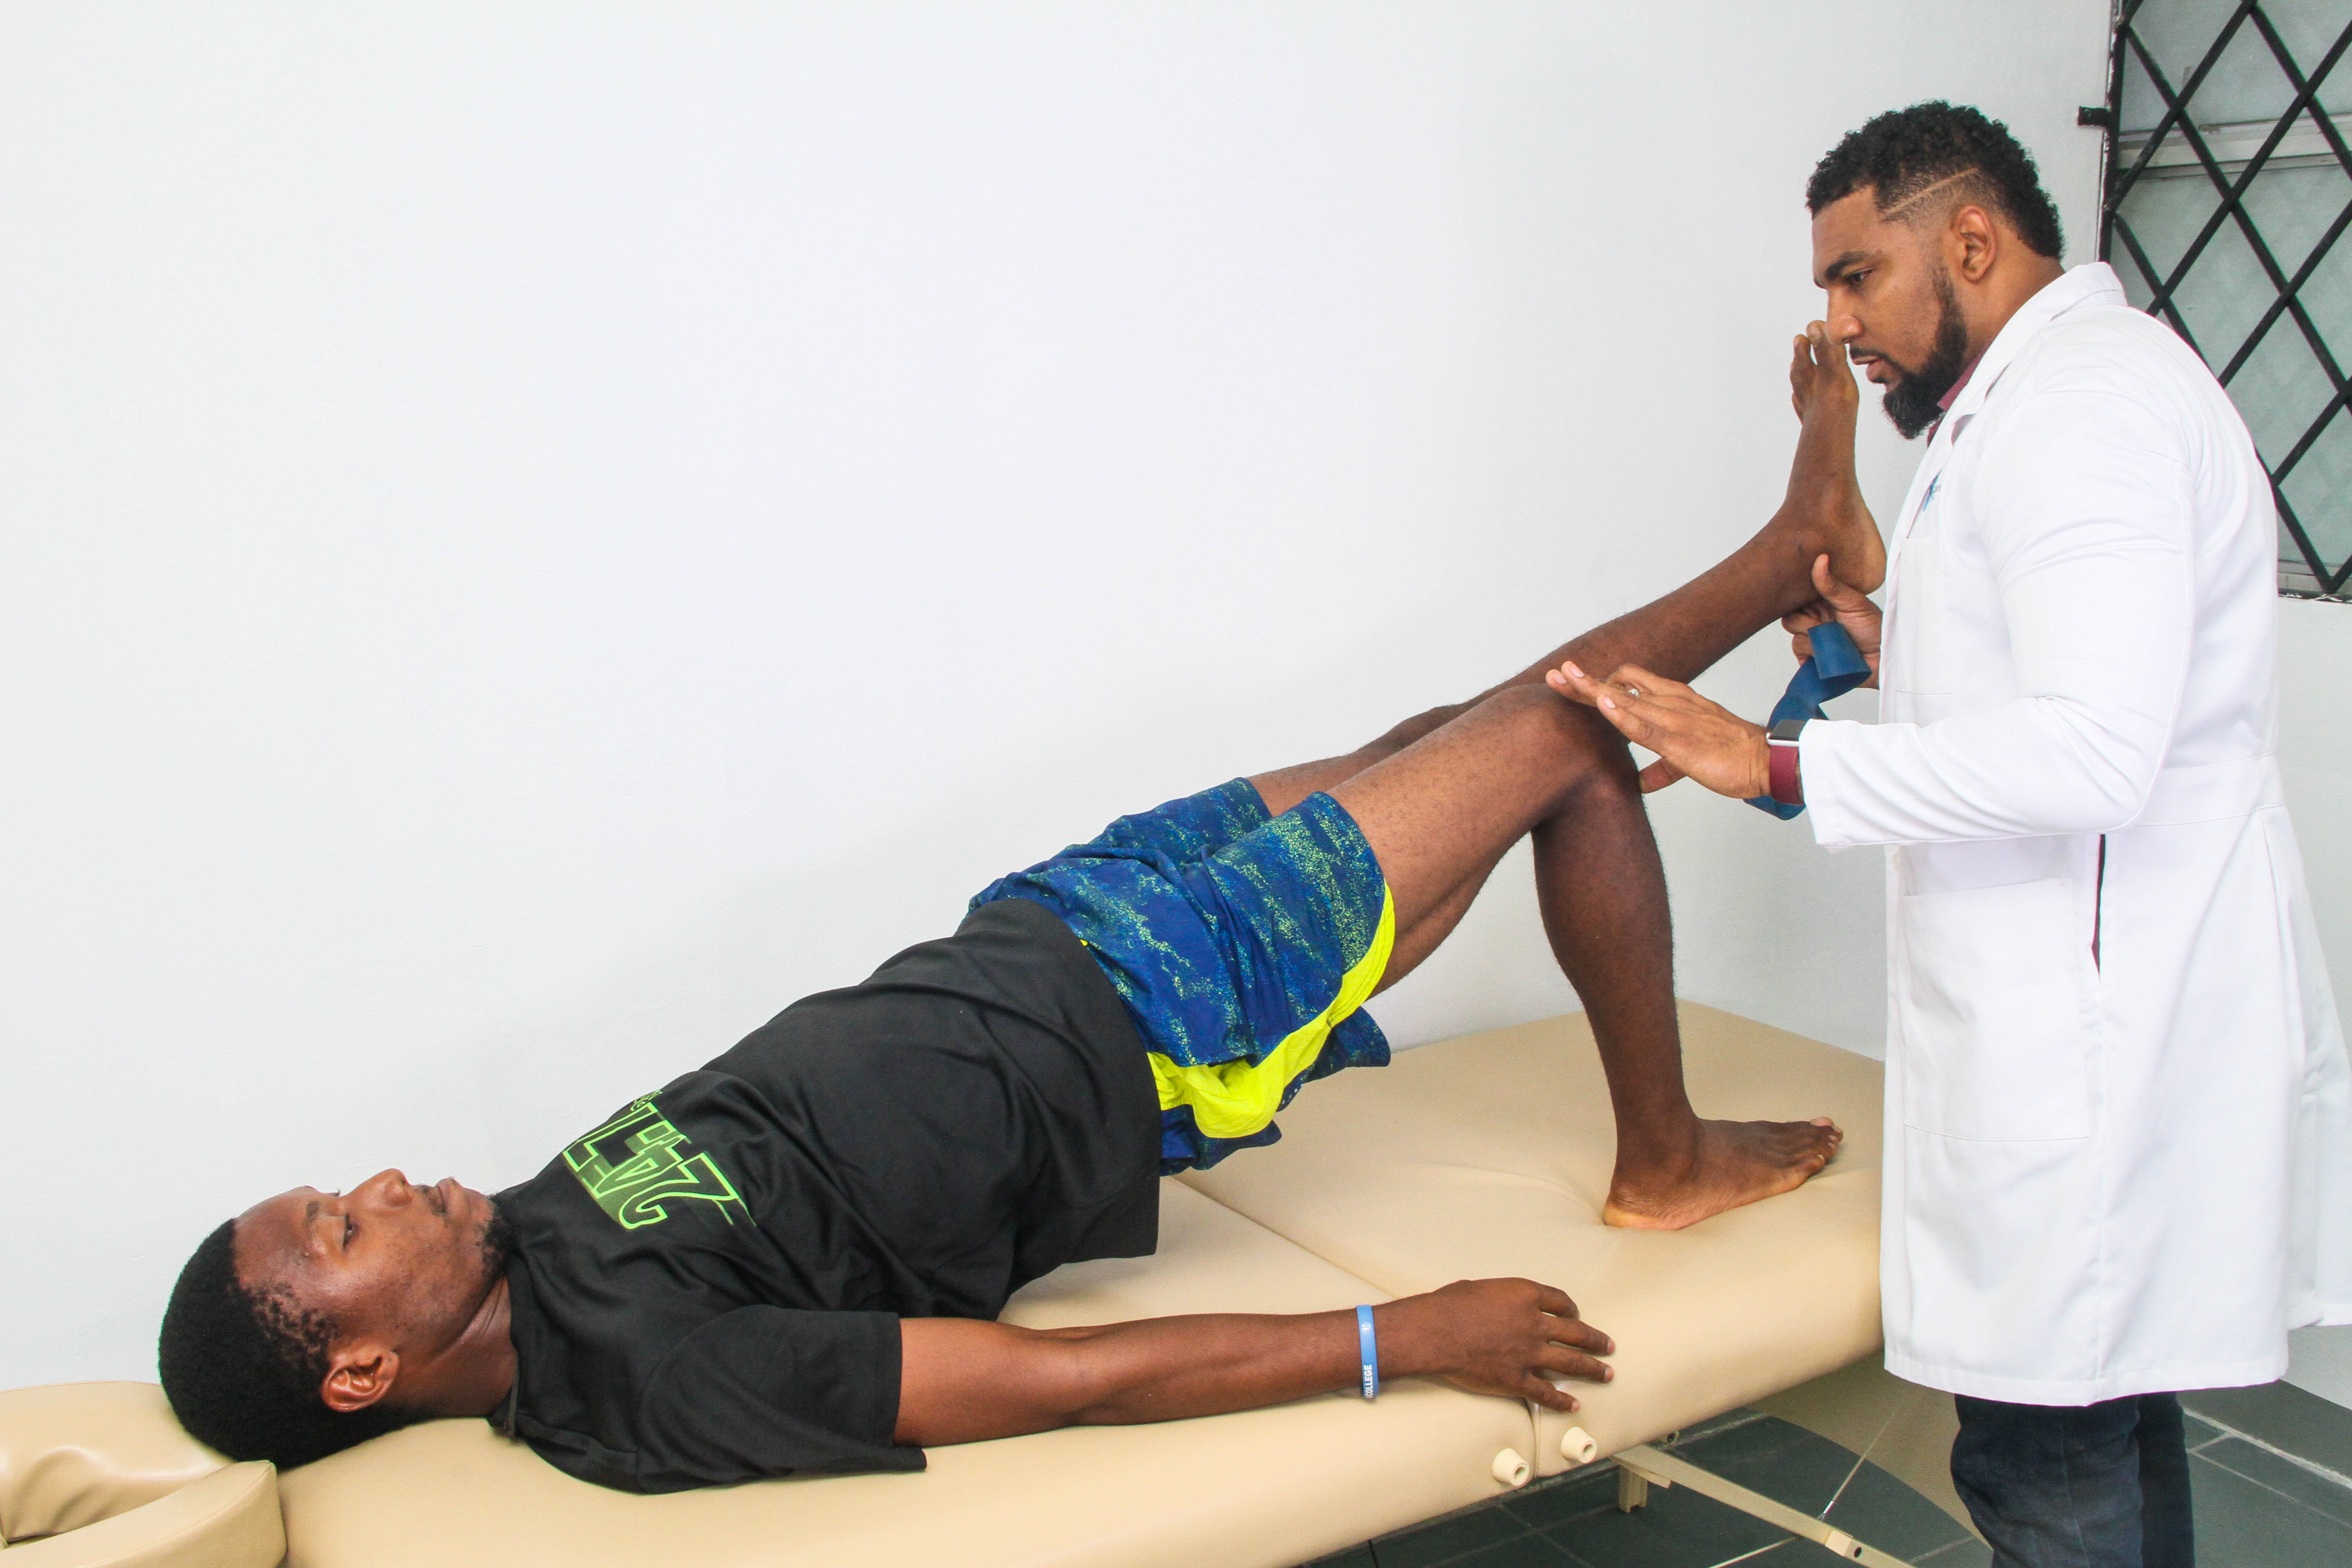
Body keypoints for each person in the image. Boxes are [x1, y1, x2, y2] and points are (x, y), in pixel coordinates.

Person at [156, 339, 1883, 1491]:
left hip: (1050, 927)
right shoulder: (642, 1387)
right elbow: (1051, 1384)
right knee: (1567, 741)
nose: (374, 1187)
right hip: (1149, 1031)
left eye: (332, 1196)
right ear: (366, 1370)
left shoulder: (517, 1238)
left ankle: (1797, 591)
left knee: (1449, 744)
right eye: (334, 1233)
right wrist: (1393, 1337)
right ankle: (1664, 1148)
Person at [1557, 102, 2352, 1568]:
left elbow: (2100, 751)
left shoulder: (2081, 412)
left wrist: (1778, 764)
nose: (1841, 322)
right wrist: (1890, 636)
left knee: (2045, 1462)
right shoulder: (2051, 400)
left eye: (1858, 276)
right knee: (2097, 1416)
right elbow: (2069, 671)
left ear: (1969, 240)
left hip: (2097, 1032)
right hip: (2091, 1004)